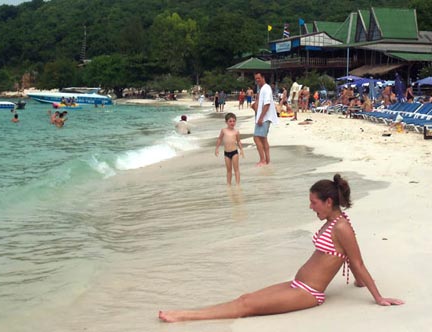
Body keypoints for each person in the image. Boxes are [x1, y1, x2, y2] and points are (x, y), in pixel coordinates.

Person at [158, 174, 404, 322]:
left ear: (329, 202)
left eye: (313, 203)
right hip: (297, 285)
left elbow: (357, 261)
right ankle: (191, 312)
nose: (310, 207)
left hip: (308, 294)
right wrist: (358, 284)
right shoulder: (334, 221)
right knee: (245, 299)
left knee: (247, 308)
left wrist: (378, 297)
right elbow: (347, 258)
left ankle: (184, 316)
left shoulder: (342, 228)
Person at [252, 72, 279, 167]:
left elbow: (267, 104)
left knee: (256, 138)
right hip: (263, 117)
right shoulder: (263, 89)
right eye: (256, 79)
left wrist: (260, 118)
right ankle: (267, 160)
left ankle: (262, 160)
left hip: (264, 118)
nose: (257, 80)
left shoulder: (266, 89)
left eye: (259, 78)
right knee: (263, 139)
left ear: (263, 77)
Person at [214, 112, 244, 185]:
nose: (232, 123)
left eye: (234, 121)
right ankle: (228, 184)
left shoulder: (236, 132)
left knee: (236, 169)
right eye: (230, 121)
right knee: (229, 170)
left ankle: (237, 184)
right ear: (226, 122)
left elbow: (238, 141)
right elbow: (219, 139)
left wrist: (241, 150)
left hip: (234, 152)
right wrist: (216, 148)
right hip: (226, 153)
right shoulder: (223, 130)